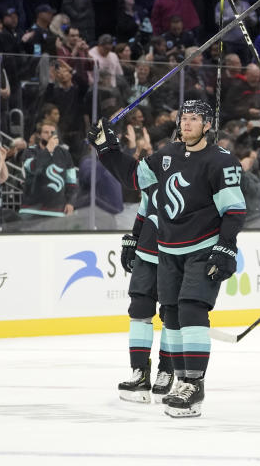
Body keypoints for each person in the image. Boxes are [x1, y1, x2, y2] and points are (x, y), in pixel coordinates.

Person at [88, 99, 246, 418]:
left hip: (203, 246)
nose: (186, 123)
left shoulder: (221, 161)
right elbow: (134, 178)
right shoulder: (166, 155)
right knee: (171, 315)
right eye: (184, 117)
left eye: (195, 118)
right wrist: (107, 150)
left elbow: (234, 210)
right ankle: (179, 382)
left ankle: (193, 384)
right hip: (168, 249)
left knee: (191, 311)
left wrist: (226, 246)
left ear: (208, 125)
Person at [116, 185, 177, 404]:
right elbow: (144, 210)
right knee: (139, 309)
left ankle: (167, 369)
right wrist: (134, 238)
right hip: (147, 253)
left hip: (177, 255)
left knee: (172, 314)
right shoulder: (158, 169)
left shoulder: (197, 170)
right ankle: (139, 372)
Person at [19, 121, 76, 223]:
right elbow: (33, 168)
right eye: (46, 132)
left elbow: (71, 182)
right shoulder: (30, 152)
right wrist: (48, 150)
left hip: (57, 210)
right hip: (31, 210)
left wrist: (70, 202)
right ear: (39, 135)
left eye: (52, 132)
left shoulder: (65, 154)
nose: (50, 135)